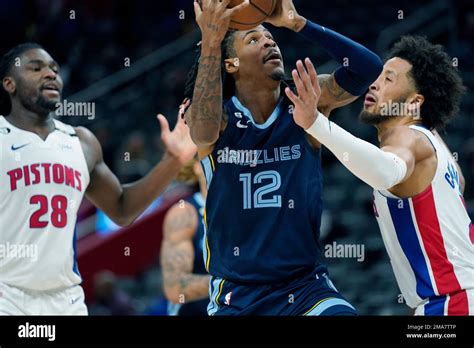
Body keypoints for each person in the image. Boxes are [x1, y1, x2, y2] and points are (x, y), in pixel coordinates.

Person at [184, 0, 383, 315]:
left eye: (269, 37)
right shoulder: (218, 118)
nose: (267, 40)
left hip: (305, 287)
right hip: (237, 295)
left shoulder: (305, 100)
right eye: (253, 39)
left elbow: (368, 68)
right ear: (231, 63)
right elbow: (202, 133)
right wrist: (211, 41)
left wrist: (299, 24)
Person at [0, 43, 196, 315]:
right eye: (36, 68)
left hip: (67, 303)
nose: (50, 74)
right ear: (9, 84)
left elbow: (123, 209)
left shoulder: (81, 142)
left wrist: (173, 161)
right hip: (9, 301)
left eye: (54, 69)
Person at [297, 35, 473, 315]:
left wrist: (316, 123)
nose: (375, 83)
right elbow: (459, 182)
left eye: (389, 79)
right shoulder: (433, 143)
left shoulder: (409, 138)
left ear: (415, 102)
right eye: (378, 76)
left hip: (453, 302)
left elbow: (387, 171)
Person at [161, 152, 210, 316]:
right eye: (213, 155)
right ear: (196, 166)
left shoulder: (246, 208)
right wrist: (236, 283)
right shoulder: (184, 213)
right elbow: (175, 287)